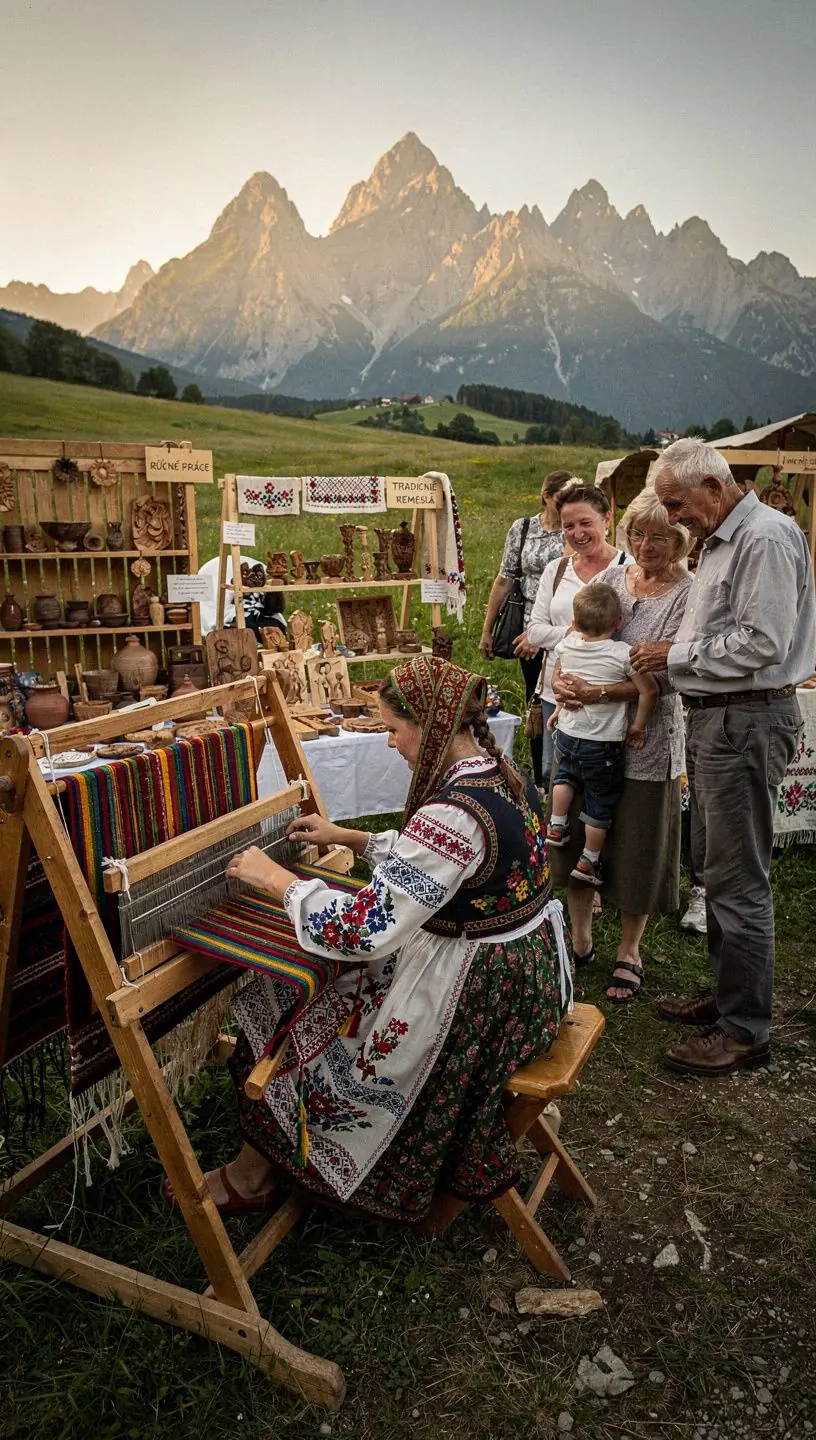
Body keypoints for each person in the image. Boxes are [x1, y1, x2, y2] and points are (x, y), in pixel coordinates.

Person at [171, 657, 571, 1220]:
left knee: (304, 1040)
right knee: (311, 1003)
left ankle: (255, 1174)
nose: (388, 742)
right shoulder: (499, 772)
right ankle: (258, 1164)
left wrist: (279, 881)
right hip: (530, 981)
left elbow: (367, 931)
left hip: (481, 999)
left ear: (431, 727)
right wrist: (351, 838)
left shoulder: (454, 814)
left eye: (392, 728)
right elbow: (437, 870)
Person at [632, 437, 815, 1075]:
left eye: (678, 503)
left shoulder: (763, 538)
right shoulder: (725, 539)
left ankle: (745, 1031)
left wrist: (673, 657)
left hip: (745, 719)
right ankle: (729, 995)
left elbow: (764, 642)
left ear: (715, 486)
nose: (674, 517)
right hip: (720, 720)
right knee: (715, 867)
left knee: (737, 877)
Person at [548, 487, 693, 1001]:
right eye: (637, 533)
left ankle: (629, 951)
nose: (646, 544)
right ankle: (581, 938)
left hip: (644, 739)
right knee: (574, 831)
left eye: (659, 535)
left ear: (679, 540)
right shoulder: (612, 577)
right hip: (584, 733)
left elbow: (675, 673)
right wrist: (563, 683)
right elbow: (575, 638)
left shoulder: (687, 593)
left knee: (634, 842)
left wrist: (600, 691)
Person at [547, 584, 658, 885]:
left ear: (573, 623)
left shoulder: (567, 644)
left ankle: (557, 825)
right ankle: (589, 860)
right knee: (600, 799)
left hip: (568, 733)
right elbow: (649, 691)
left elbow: (560, 677)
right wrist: (638, 726)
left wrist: (558, 710)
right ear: (619, 623)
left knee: (565, 778)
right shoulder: (622, 653)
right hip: (603, 743)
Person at [480, 470, 578, 785]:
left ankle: (564, 775)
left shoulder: (573, 531)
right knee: (536, 705)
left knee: (565, 701)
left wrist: (542, 633)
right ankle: (541, 779)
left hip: (563, 627)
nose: (567, 505)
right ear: (547, 496)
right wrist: (488, 628)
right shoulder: (523, 529)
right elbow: (505, 577)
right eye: (562, 498)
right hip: (526, 630)